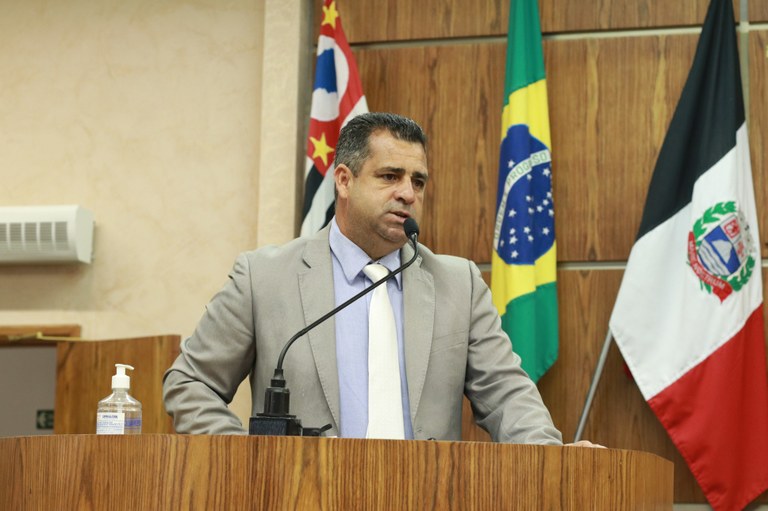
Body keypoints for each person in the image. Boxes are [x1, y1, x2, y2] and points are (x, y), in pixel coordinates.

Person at [163, 112, 563, 444]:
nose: (408, 193)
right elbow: (191, 383)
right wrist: (249, 462)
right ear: (344, 180)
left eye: (418, 181)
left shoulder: (460, 285)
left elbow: (508, 395)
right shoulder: (263, 278)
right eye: (390, 176)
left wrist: (552, 457)